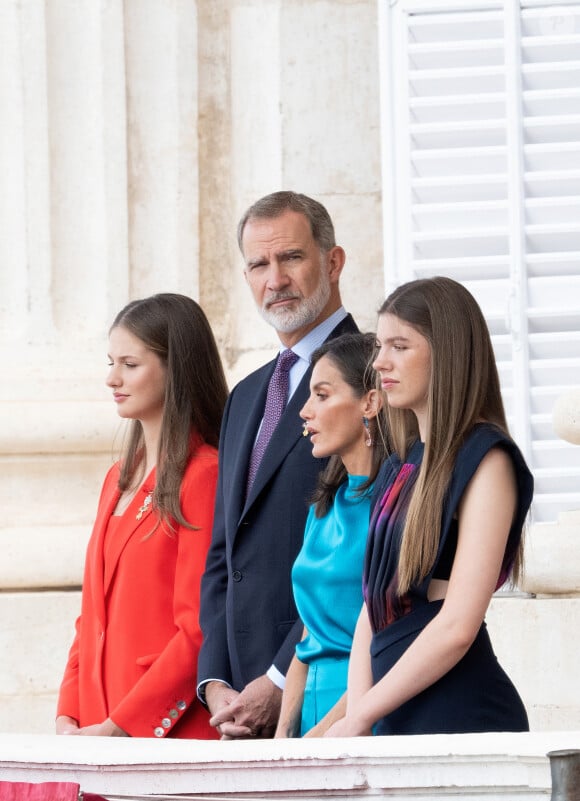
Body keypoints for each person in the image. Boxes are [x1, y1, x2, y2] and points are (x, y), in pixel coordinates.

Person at [325, 276, 534, 737]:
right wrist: (361, 712)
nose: (380, 362)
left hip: (460, 713)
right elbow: (373, 600)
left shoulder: (487, 459)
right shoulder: (404, 461)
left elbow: (458, 623)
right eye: (380, 345)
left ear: (448, 353)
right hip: (396, 710)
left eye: (400, 346)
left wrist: (361, 715)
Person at [197, 191, 358, 739]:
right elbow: (224, 554)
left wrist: (278, 677)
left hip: (321, 689)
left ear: (332, 262)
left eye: (291, 257)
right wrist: (215, 679)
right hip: (235, 706)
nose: (275, 279)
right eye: (258, 264)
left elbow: (362, 552)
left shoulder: (373, 378)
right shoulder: (244, 395)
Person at [56, 293, 228, 738]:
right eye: (111, 362)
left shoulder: (203, 474)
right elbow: (90, 616)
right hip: (96, 728)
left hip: (166, 734)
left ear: (176, 369)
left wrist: (121, 726)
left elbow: (198, 628)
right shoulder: (117, 477)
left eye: (130, 365)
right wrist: (68, 712)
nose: (113, 378)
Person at [274, 332, 388, 738]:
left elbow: (387, 641)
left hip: (363, 710)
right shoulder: (324, 506)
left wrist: (322, 734)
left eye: (322, 395)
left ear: (369, 403)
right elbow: (308, 633)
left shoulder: (395, 506)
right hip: (310, 713)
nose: (304, 411)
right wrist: (283, 737)